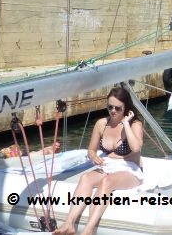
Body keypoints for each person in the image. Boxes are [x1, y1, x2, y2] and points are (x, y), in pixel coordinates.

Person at [53, 88, 144, 235]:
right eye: (110, 107)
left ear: (126, 107)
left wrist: (126, 123)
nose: (113, 111)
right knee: (85, 178)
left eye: (117, 108)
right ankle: (69, 223)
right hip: (108, 165)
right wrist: (93, 157)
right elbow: (91, 150)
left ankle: (89, 229)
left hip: (130, 169)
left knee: (107, 182)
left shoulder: (135, 124)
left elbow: (135, 147)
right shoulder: (101, 124)